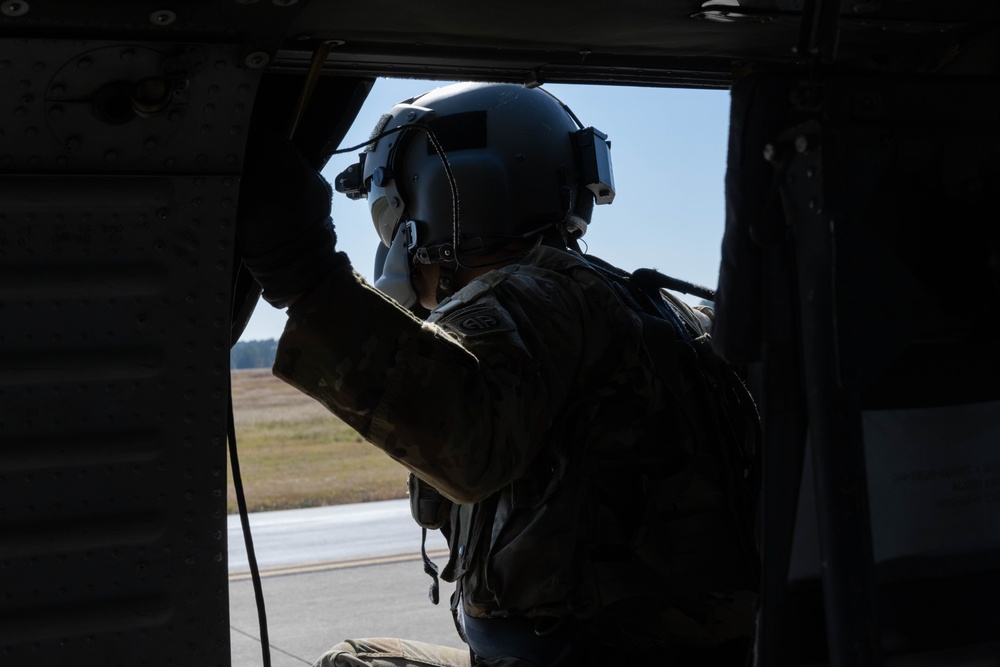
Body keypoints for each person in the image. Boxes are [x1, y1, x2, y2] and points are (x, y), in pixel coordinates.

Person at [237, 82, 758, 667]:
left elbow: (464, 442)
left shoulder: (530, 299)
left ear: (428, 200)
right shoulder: (649, 307)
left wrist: (304, 274)